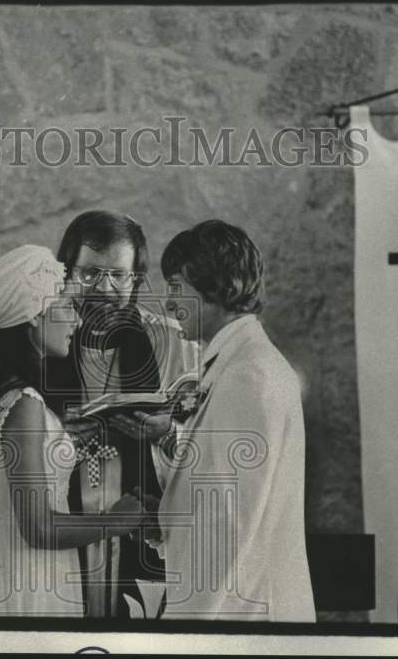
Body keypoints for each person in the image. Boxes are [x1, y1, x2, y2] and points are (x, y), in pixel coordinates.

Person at [0, 245, 147, 617]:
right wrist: (118, 520)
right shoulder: (24, 402)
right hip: (28, 586)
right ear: (34, 317)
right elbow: (38, 527)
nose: (75, 321)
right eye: (65, 308)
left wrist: (60, 442)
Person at [150, 220, 315, 622]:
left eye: (175, 287)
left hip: (241, 613)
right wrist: (165, 438)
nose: (168, 304)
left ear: (212, 284)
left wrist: (184, 632)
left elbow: (225, 521)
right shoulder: (237, 363)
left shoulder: (248, 375)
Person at [42, 210, 198, 618]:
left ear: (136, 279)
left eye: (118, 276)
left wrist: (166, 433)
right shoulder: (45, 342)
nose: (103, 288)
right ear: (67, 273)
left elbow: (207, 435)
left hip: (142, 520)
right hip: (67, 527)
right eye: (90, 274)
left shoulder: (172, 343)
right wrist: (55, 438)